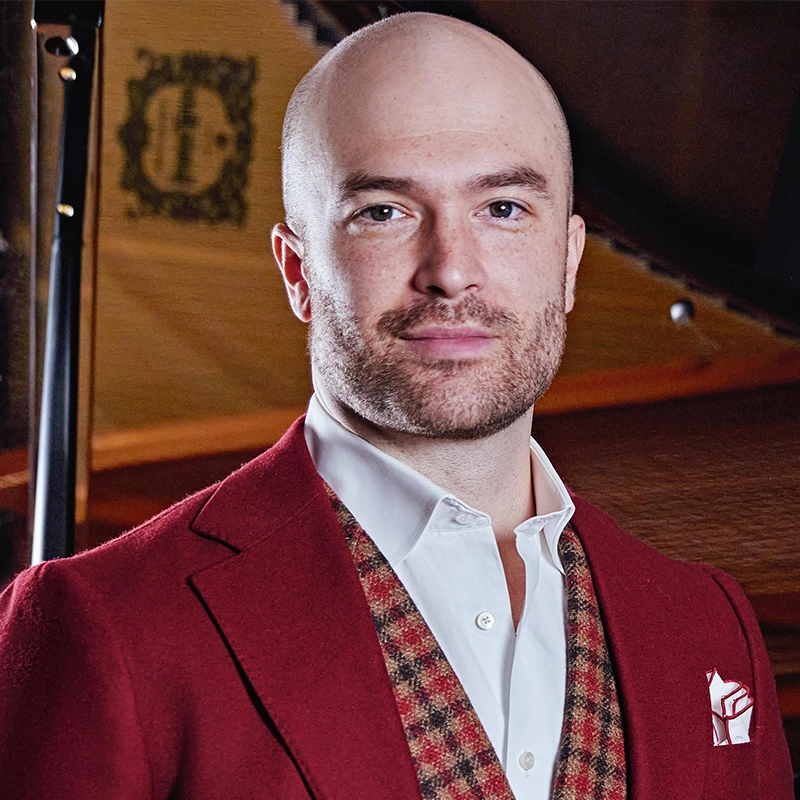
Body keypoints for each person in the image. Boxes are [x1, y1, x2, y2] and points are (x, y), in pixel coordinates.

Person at [0, 12, 792, 800]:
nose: (451, 271)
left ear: (571, 260)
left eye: (504, 209)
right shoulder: (104, 625)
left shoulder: (707, 627)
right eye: (384, 212)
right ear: (297, 270)